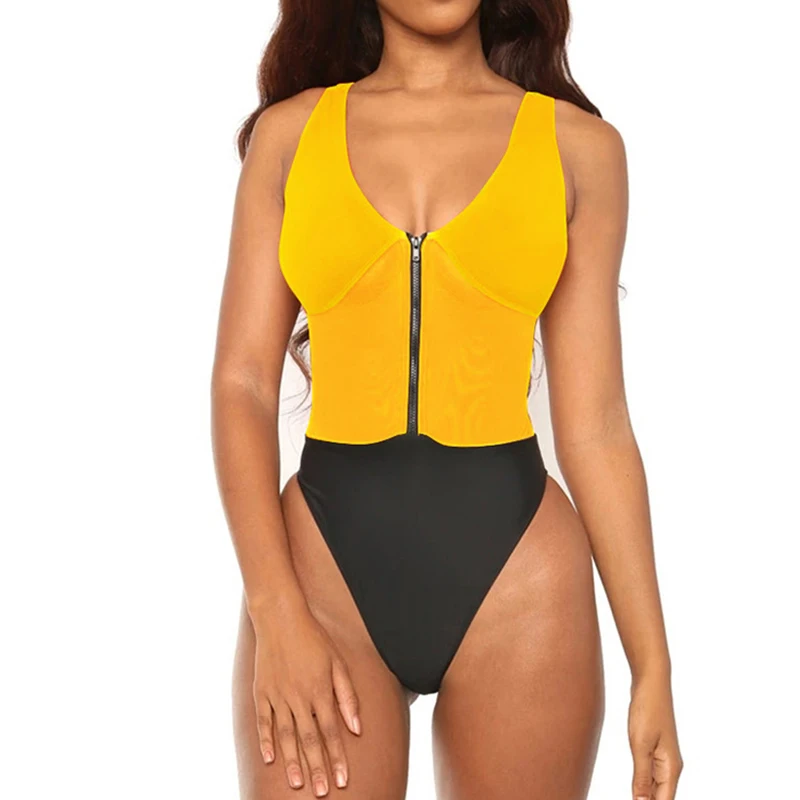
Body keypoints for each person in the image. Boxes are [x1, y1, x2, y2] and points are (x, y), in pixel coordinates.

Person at [211, 1, 682, 798]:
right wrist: (275, 611)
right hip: (319, 580)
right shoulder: (288, 139)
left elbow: (597, 426)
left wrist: (653, 665)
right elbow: (243, 385)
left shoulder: (580, 150)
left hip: (521, 586)